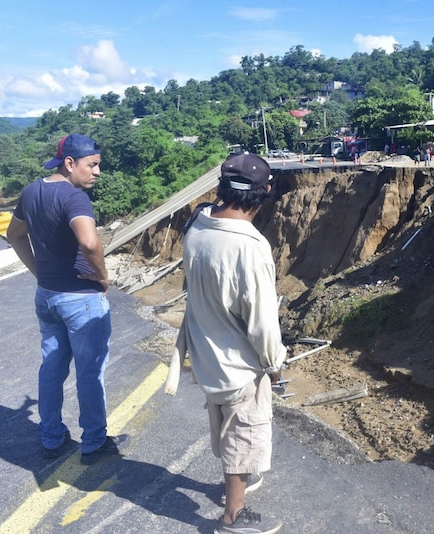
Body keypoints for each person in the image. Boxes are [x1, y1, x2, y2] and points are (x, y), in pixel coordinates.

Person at [6, 134, 128, 464]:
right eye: (93, 165)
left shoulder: (32, 191)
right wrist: (102, 276)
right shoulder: (74, 199)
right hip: (80, 299)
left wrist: (37, 271)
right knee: (90, 373)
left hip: (47, 295)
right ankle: (93, 441)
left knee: (52, 368)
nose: (98, 172)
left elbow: (13, 235)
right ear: (70, 163)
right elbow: (90, 244)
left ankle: (51, 436)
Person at [181, 152, 286, 534]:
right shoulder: (251, 247)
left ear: (222, 187)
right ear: (265, 192)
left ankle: (236, 480)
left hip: (205, 350)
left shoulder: (198, 223)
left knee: (223, 421)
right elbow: (262, 323)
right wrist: (274, 364)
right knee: (244, 429)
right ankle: (233, 517)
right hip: (238, 363)